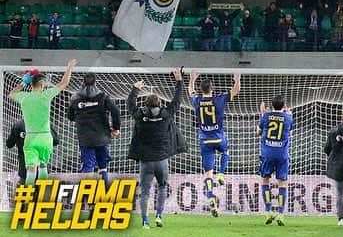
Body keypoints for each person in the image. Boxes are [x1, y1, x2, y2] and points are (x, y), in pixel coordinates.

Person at [128, 68, 185, 228]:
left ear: (145, 105)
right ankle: (159, 216)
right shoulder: (166, 115)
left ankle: (145, 221)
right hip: (161, 160)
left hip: (146, 162)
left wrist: (135, 89)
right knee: (162, 187)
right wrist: (179, 80)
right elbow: (177, 100)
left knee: (144, 192)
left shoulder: (139, 116)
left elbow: (130, 104)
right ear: (159, 104)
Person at [7, 60, 76, 184]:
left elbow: (11, 94)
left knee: (31, 171)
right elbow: (64, 83)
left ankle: (28, 199)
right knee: (43, 166)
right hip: (45, 137)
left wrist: (23, 82)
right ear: (42, 85)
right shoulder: (46, 95)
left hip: (31, 137)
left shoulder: (24, 97)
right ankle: (42, 196)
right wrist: (69, 67)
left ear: (31, 84)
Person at [189, 71, 241, 217]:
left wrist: (192, 79)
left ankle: (211, 195)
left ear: (201, 90)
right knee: (226, 152)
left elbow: (190, 91)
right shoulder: (219, 99)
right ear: (212, 88)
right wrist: (237, 79)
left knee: (207, 173)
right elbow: (236, 90)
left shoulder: (197, 100)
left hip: (205, 140)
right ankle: (222, 173)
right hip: (219, 137)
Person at [67, 72, 121, 186]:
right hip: (102, 137)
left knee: (88, 167)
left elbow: (70, 116)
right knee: (103, 167)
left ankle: (86, 196)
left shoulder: (75, 97)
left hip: (85, 139)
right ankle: (104, 192)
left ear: (83, 82)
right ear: (95, 82)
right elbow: (115, 111)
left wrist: (80, 118)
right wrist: (116, 128)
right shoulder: (102, 96)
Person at [258, 94, 294, 226]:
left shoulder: (266, 117)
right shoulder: (288, 118)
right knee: (282, 183)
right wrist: (288, 115)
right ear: (284, 106)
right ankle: (280, 213)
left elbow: (258, 132)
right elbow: (289, 132)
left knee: (265, 180)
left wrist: (262, 114)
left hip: (267, 153)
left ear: (271, 105)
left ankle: (268, 211)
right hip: (282, 154)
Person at [6, 119, 60, 184]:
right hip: (41, 170)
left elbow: (9, 144)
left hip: (25, 170)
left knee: (26, 190)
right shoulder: (44, 124)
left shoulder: (19, 125)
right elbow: (56, 141)